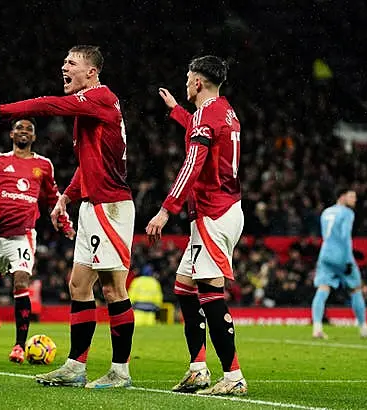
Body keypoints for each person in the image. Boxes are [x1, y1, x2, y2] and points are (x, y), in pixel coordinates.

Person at [0, 45, 135, 388]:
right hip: (92, 205)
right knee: (78, 285)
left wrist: (2, 111)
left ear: (90, 72)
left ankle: (120, 370)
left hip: (111, 205)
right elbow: (89, 163)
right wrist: (65, 197)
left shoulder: (101, 98)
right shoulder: (88, 109)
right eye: (63, 60)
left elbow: (47, 105)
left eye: (71, 62)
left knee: (112, 288)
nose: (64, 66)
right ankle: (76, 367)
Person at [146, 56, 247, 396]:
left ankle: (232, 376)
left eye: (188, 77)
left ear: (198, 83)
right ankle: (198, 369)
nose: (185, 82)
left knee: (210, 293)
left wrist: (165, 210)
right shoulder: (224, 110)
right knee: (184, 288)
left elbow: (193, 163)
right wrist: (176, 110)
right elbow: (203, 130)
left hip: (212, 211)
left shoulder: (208, 115)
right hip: (225, 207)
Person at [0, 117, 75, 363]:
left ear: (34, 137)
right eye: (19, 128)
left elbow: (53, 199)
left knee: (21, 281)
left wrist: (65, 225)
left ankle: (18, 346)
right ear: (12, 135)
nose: (24, 131)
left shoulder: (44, 165)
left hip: (23, 235)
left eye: (29, 129)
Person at [311, 189, 367, 339]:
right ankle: (363, 328)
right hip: (341, 256)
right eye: (351, 196)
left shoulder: (326, 212)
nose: (355, 199)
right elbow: (344, 237)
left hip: (325, 254)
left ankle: (317, 328)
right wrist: (348, 261)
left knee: (323, 288)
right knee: (356, 289)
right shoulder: (347, 213)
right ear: (342, 197)